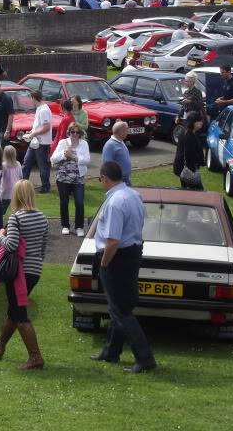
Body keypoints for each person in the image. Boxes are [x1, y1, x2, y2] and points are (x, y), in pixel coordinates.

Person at [91, 161, 156, 374]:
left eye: (100, 179)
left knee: (121, 311)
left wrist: (104, 263)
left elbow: (112, 241)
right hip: (133, 253)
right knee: (116, 307)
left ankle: (144, 358)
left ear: (105, 178)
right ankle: (111, 351)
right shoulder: (133, 195)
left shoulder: (114, 202)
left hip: (116, 257)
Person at [0, 180, 48, 370]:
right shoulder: (43, 218)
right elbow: (43, 247)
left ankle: (35, 357)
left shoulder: (16, 218)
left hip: (18, 272)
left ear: (16, 196)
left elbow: (12, 245)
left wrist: (1, 234)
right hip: (35, 270)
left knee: (20, 314)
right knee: (14, 310)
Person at [50, 122, 90, 237]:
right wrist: (64, 154)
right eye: (73, 132)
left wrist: (74, 157)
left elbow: (87, 160)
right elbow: (53, 158)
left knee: (79, 202)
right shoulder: (63, 143)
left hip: (78, 178)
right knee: (64, 202)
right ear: (69, 132)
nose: (75, 134)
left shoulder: (84, 144)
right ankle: (65, 225)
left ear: (80, 134)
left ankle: (79, 226)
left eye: (77, 132)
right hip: (63, 178)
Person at [21, 91, 52, 194]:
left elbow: (46, 127)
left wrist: (33, 134)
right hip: (35, 141)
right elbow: (40, 126)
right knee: (27, 162)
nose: (30, 100)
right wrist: (32, 131)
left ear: (34, 98)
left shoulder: (43, 110)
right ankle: (23, 184)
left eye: (31, 98)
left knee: (42, 165)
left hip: (41, 142)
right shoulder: (40, 108)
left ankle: (46, 186)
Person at [173, 112, 205, 190]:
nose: (202, 123)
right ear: (194, 122)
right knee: (198, 190)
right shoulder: (189, 135)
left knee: (186, 190)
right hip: (187, 169)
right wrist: (194, 169)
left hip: (182, 168)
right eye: (200, 121)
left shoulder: (187, 132)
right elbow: (189, 155)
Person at [102, 121, 132, 186]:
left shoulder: (121, 141)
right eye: (126, 130)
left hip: (125, 179)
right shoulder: (110, 145)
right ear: (121, 132)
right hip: (117, 181)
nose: (127, 132)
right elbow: (107, 165)